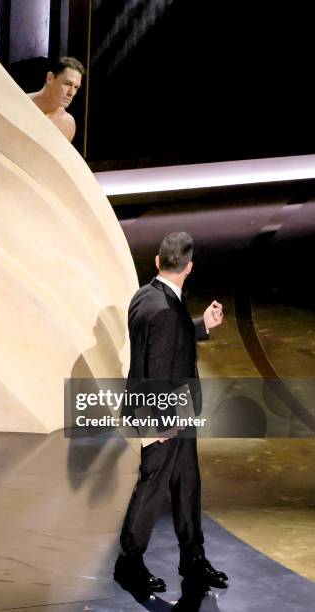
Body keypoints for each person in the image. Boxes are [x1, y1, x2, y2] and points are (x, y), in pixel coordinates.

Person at [114, 232, 228, 597]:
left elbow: (165, 338)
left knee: (187, 484)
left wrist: (201, 326)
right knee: (152, 486)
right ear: (189, 267)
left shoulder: (146, 295)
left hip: (172, 411)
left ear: (159, 263)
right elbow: (160, 365)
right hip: (164, 415)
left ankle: (192, 557)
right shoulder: (165, 309)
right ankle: (129, 563)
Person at [29, 56, 84, 142]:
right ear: (50, 78)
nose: (71, 93)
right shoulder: (19, 102)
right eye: (68, 84)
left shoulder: (68, 124)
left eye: (76, 87)